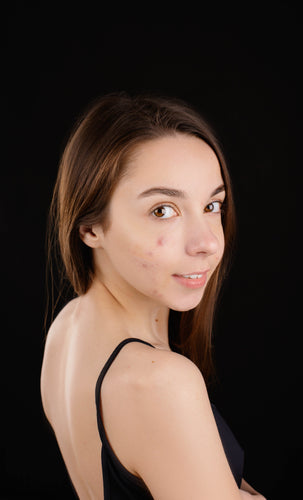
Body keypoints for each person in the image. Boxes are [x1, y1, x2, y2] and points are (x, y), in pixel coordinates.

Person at [40, 92, 266, 499]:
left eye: (213, 205)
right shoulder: (160, 383)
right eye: (163, 210)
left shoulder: (67, 327)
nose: (208, 243)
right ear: (91, 228)